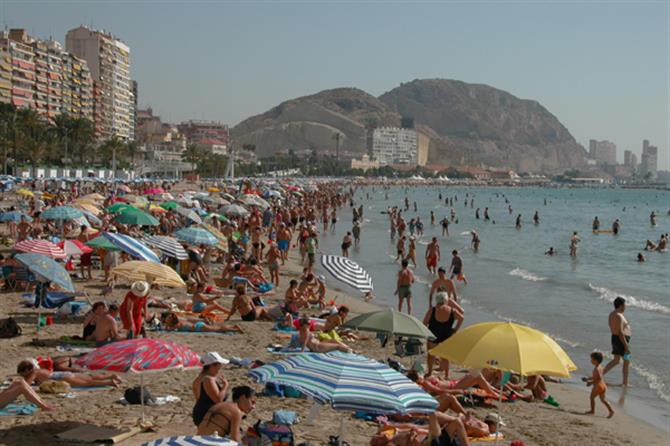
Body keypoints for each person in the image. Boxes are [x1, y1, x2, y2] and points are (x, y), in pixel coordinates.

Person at [423, 292, 463, 378]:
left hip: (433, 333)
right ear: (446, 300)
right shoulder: (452, 310)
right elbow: (461, 318)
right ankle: (446, 375)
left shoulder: (432, 310)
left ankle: (430, 372)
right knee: (446, 355)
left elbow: (425, 322)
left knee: (431, 354)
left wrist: (425, 332)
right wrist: (455, 329)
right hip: (447, 334)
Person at [192, 352, 230, 427]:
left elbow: (198, 398)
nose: (220, 367)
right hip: (208, 416)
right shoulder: (208, 380)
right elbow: (218, 400)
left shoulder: (198, 379)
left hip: (201, 414)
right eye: (219, 365)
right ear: (212, 365)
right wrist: (225, 386)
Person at [603, 297, 631, 386]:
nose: (625, 307)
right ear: (621, 305)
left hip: (615, 338)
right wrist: (626, 345)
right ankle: (625, 383)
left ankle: (599, 375)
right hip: (621, 340)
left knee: (616, 360)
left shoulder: (612, 314)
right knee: (626, 361)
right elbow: (620, 332)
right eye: (624, 305)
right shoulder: (618, 316)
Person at [584, 352, 615, 418]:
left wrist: (591, 382)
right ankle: (611, 410)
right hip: (603, 386)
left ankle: (592, 411)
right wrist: (588, 378)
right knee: (603, 400)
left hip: (598, 386)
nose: (591, 361)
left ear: (596, 361)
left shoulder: (597, 369)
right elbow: (595, 377)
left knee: (592, 398)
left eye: (592, 359)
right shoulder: (600, 367)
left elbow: (598, 378)